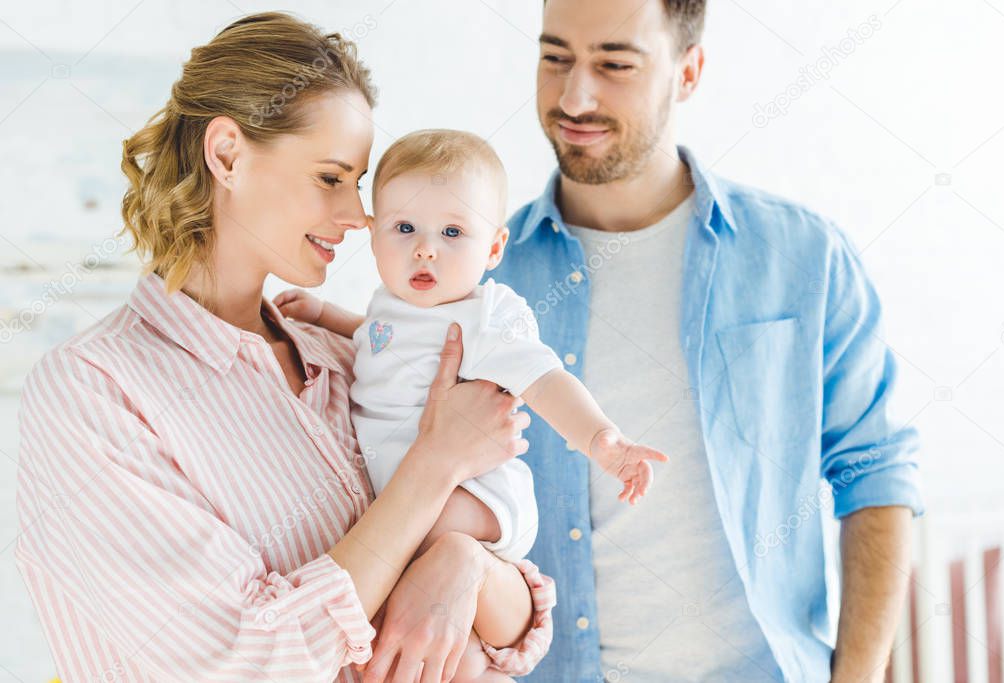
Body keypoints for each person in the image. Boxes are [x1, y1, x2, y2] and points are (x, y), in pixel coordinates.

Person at [15, 13, 554, 683]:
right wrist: (433, 464)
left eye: (358, 183)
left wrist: (463, 562)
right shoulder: (92, 392)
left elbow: (520, 624)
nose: (359, 215)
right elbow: (246, 659)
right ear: (228, 155)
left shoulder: (349, 353)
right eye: (331, 177)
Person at [489, 1, 924, 681]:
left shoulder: (803, 257)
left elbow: (875, 474)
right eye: (554, 58)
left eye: (614, 63)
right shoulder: (486, 278)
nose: (575, 95)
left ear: (687, 71)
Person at [275, 129, 669, 676]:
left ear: (493, 248)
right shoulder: (394, 305)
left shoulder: (485, 319)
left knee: (401, 552)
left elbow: (545, 379)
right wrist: (324, 315)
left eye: (453, 232)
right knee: (435, 631)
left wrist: (602, 440)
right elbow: (378, 340)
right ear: (373, 233)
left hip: (473, 498)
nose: (425, 247)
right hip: (421, 491)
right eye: (404, 227)